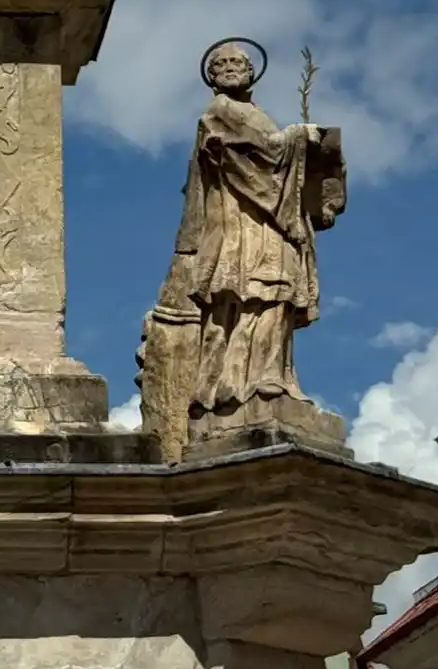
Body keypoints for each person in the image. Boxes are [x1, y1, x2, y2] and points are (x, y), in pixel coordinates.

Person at [140, 39, 345, 453]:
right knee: (253, 295)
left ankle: (275, 378)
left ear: (252, 72)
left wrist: (303, 149)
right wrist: (297, 138)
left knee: (276, 298)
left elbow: (271, 155)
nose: (230, 67)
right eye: (221, 63)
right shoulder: (219, 113)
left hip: (268, 223)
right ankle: (242, 386)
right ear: (211, 76)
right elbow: (257, 158)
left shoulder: (253, 113)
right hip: (243, 224)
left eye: (238, 62)